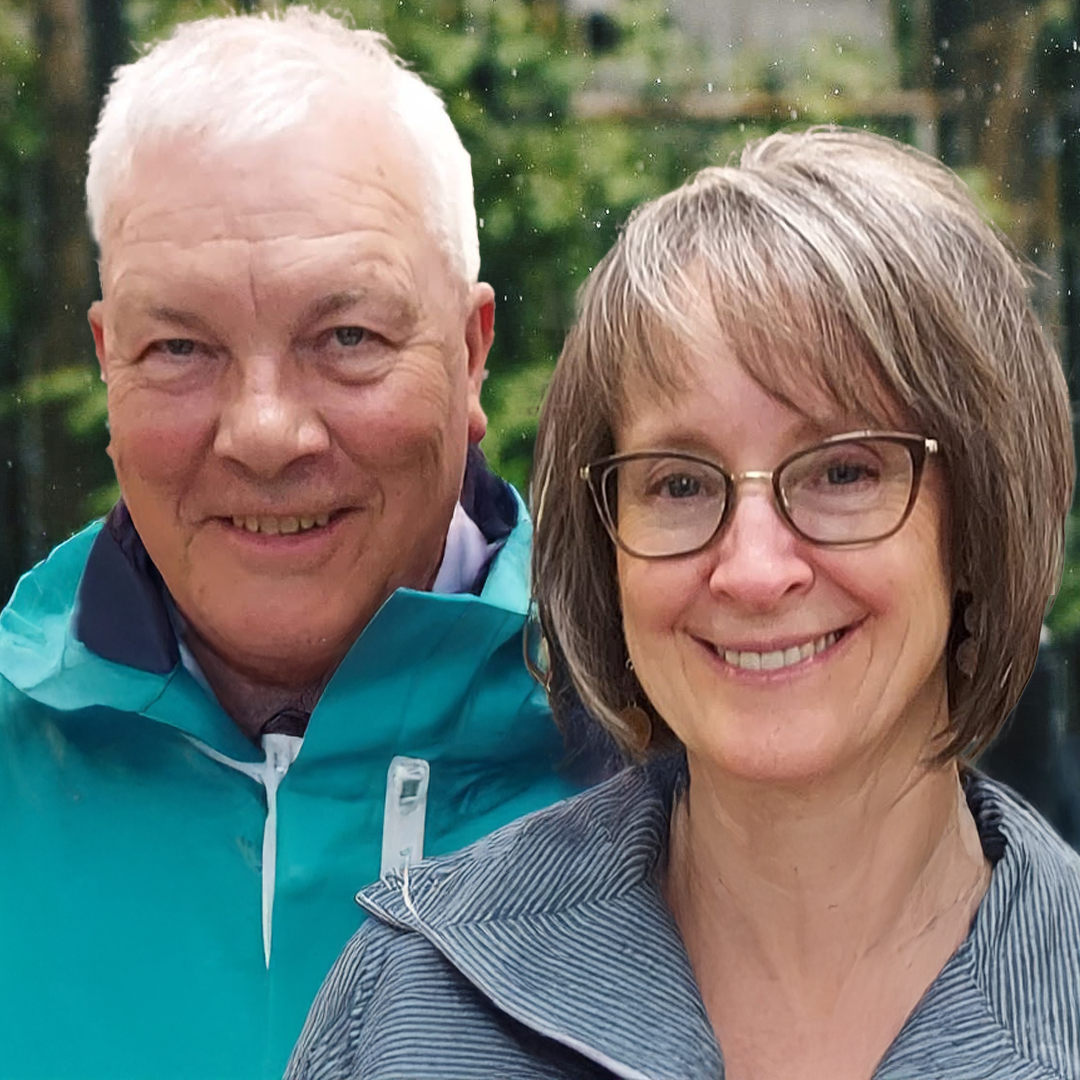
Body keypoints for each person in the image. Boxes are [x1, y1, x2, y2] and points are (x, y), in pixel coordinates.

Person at [288, 128, 1080, 1080]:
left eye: (842, 470)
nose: (753, 570)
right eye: (679, 484)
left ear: (980, 515)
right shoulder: (409, 1006)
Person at [0, 9, 589, 1080]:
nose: (266, 433)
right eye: (180, 346)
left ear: (470, 355)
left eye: (347, 338)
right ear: (107, 361)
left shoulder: (664, 755)